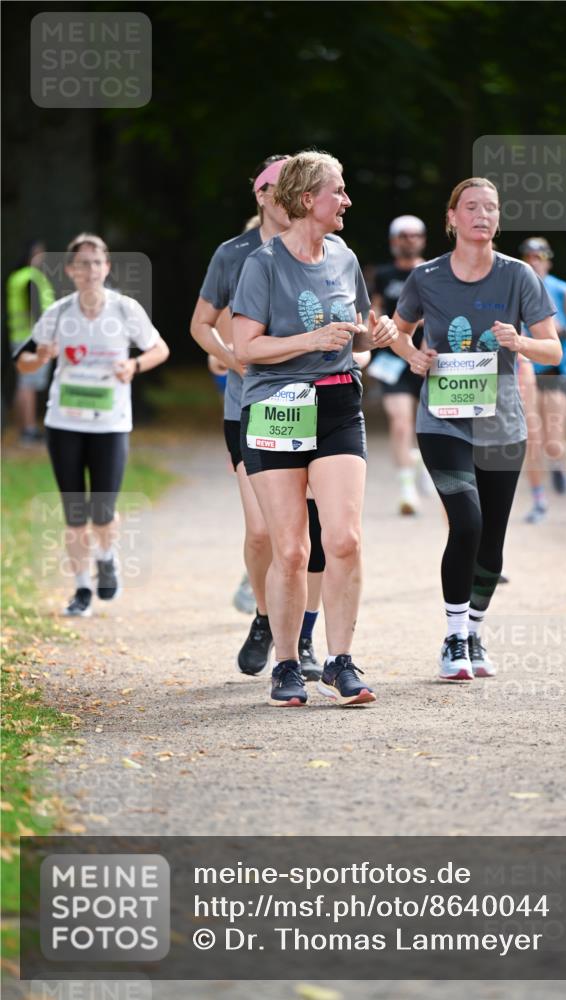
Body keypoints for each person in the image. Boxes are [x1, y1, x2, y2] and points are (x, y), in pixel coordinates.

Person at [233, 150, 397, 707]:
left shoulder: (345, 256)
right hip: (276, 407)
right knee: (292, 550)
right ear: (308, 200)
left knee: (345, 538)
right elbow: (245, 347)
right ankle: (285, 665)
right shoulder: (262, 264)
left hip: (335, 407)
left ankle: (341, 662)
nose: (347, 200)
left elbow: (352, 334)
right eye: (339, 191)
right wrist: (311, 340)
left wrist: (373, 337)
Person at [390, 178, 561, 681]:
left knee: (492, 539)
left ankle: (476, 634)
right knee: (466, 522)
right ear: (452, 218)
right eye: (471, 207)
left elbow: (551, 349)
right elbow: (397, 332)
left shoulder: (519, 277)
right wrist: (415, 356)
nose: (482, 215)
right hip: (443, 420)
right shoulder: (426, 277)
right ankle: (452, 635)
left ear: (498, 220)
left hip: (502, 423)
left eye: (491, 208)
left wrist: (521, 342)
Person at [191, 156, 327, 681]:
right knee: (260, 533)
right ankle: (266, 618)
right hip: (250, 407)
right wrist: (234, 359)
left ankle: (307, 638)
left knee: (310, 533)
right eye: (275, 185)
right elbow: (201, 324)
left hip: (316, 406)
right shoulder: (235, 254)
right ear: (263, 196)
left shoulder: (324, 249)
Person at [14, 233, 169, 616]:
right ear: (70, 270)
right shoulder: (60, 313)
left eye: (96, 262)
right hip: (64, 422)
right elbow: (23, 362)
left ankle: (106, 555)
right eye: (81, 263)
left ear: (107, 268)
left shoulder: (124, 309)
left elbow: (160, 349)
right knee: (75, 513)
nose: (89, 270)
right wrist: (41, 357)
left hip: (111, 423)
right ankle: (81, 589)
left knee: (103, 510)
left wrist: (133, 366)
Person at [519, 237, 566, 522]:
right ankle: (538, 499)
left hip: (556, 370)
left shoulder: (561, 288)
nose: (535, 260)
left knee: (552, 441)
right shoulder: (517, 288)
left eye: (540, 256)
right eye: (529, 256)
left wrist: (564, 331)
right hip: (525, 370)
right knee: (531, 438)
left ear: (548, 259)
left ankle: (558, 462)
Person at [368, 216, 430, 514]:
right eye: (404, 235)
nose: (410, 240)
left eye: (416, 235)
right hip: (393, 358)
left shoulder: (434, 271)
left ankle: (423, 461)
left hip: (429, 357)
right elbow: (376, 309)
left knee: (429, 424)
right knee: (401, 421)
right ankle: (407, 489)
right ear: (394, 240)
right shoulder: (383, 274)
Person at [6, 239, 56, 445]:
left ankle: (27, 428)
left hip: (19, 336)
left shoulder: (17, 277)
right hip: (31, 337)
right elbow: (35, 309)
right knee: (27, 384)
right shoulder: (30, 278)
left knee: (25, 384)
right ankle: (27, 429)